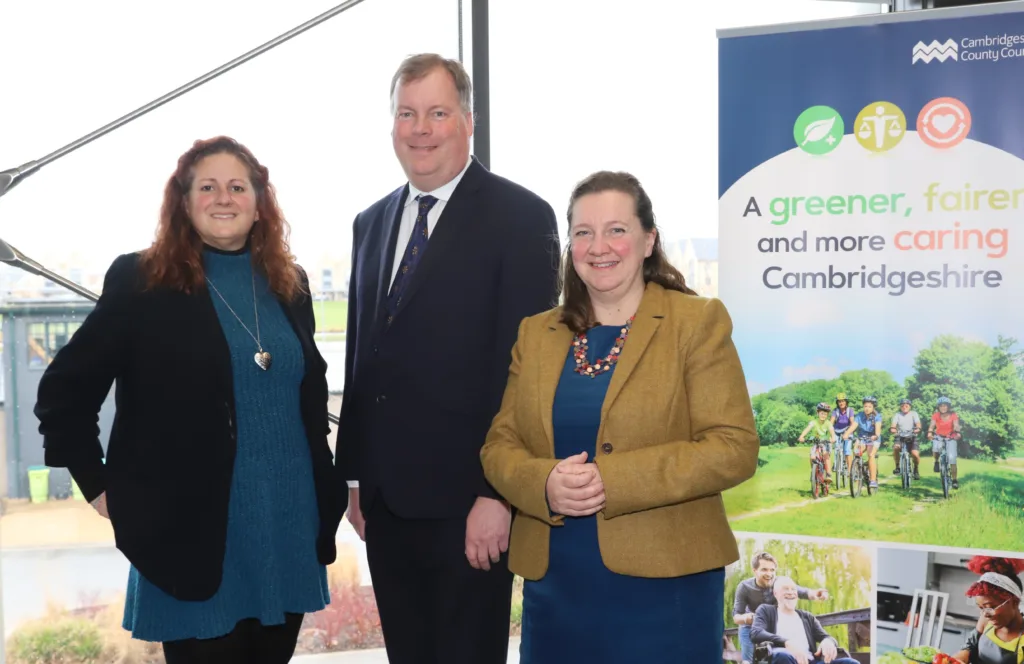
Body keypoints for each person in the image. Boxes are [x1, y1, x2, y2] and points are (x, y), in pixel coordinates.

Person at [33, 136, 340, 663]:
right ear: (184, 201)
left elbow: (304, 404)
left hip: (285, 527)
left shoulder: (290, 284)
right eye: (208, 187)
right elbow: (64, 393)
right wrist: (99, 486)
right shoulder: (142, 281)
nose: (224, 198)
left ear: (260, 201)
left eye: (237, 186)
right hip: (190, 534)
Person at [479, 170, 760, 663]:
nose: (598, 246)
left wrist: (614, 481)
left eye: (616, 229)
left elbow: (733, 447)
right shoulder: (536, 333)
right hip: (556, 590)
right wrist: (543, 481)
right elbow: (499, 446)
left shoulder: (696, 322)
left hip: (666, 587)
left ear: (648, 239)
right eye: (583, 232)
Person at [334, 53, 560, 664]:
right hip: (385, 504)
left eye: (437, 112)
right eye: (407, 114)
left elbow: (525, 373)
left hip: (471, 504)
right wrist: (355, 476)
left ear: (468, 122)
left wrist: (498, 495)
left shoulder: (521, 217)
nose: (421, 128)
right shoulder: (371, 222)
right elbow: (364, 354)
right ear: (392, 126)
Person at [733, 552, 830, 664]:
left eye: (772, 570)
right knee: (748, 659)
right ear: (754, 570)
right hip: (750, 625)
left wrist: (815, 594)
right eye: (764, 569)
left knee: (778, 652)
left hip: (771, 623)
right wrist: (747, 618)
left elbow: (798, 591)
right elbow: (736, 617)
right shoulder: (744, 587)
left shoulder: (779, 583)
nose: (769, 574)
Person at [751, 576, 858, 664]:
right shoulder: (766, 610)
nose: (790, 592)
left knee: (851, 663)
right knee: (782, 655)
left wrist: (828, 641)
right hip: (784, 659)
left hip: (810, 661)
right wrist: (786, 643)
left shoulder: (807, 617)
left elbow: (825, 636)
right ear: (775, 593)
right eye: (785, 589)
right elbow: (756, 633)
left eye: (793, 589)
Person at [952, 556, 1024, 663]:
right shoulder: (986, 620)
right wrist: (962, 655)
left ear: (1014, 602)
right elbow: (970, 645)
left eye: (990, 607)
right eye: (981, 608)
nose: (985, 614)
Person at [842, 396, 882, 489]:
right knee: (856, 452)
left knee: (871, 455)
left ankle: (872, 480)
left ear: (873, 407)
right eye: (865, 406)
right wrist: (846, 434)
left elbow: (878, 430)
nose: (867, 408)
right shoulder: (860, 415)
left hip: (874, 438)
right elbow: (853, 426)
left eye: (869, 406)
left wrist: (875, 435)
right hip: (862, 438)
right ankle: (857, 472)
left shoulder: (877, 416)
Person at [928, 396, 962, 489]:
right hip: (939, 436)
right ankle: (936, 462)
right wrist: (930, 432)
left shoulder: (953, 415)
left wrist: (957, 432)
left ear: (948, 407)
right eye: (941, 406)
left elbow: (956, 425)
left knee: (952, 459)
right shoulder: (936, 415)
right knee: (935, 449)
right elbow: (932, 425)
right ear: (938, 407)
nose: (943, 407)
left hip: (950, 437)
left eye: (945, 406)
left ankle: (954, 480)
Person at [798, 403, 836, 483]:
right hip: (816, 442)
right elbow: (807, 429)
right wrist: (802, 436)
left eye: (825, 414)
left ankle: (828, 474)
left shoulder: (828, 423)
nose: (823, 415)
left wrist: (833, 438)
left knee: (826, 456)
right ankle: (814, 472)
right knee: (812, 457)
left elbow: (832, 431)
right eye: (822, 413)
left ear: (827, 415)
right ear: (817, 413)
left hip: (826, 442)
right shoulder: (814, 422)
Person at [890, 398, 922, 480]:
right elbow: (893, 424)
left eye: (906, 406)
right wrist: (893, 428)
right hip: (900, 436)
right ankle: (897, 467)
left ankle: (916, 469)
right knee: (896, 448)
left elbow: (918, 424)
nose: (904, 407)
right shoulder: (897, 415)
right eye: (902, 406)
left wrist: (917, 428)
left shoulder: (914, 414)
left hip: (912, 436)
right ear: (900, 407)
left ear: (909, 406)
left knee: (915, 454)